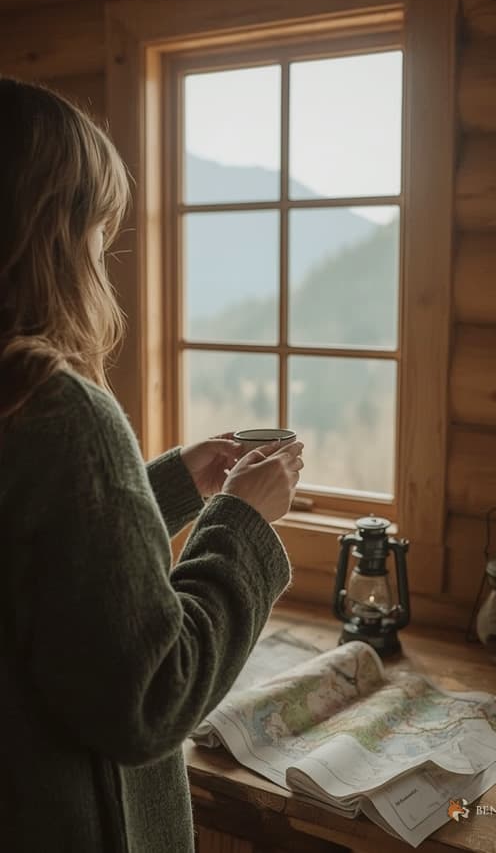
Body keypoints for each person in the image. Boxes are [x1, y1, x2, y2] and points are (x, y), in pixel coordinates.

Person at [0, 77, 304, 853]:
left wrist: (165, 484)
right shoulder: (59, 409)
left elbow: (40, 565)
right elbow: (151, 696)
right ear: (53, 232)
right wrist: (241, 520)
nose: (107, 254)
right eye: (103, 229)